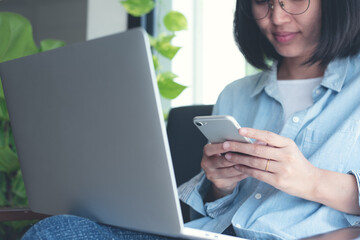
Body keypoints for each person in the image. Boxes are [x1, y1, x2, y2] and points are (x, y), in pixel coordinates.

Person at [23, 0, 360, 239]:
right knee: (56, 232)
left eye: (296, 1)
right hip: (211, 234)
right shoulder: (236, 94)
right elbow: (208, 211)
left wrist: (312, 180)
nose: (278, 18)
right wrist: (218, 185)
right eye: (262, 2)